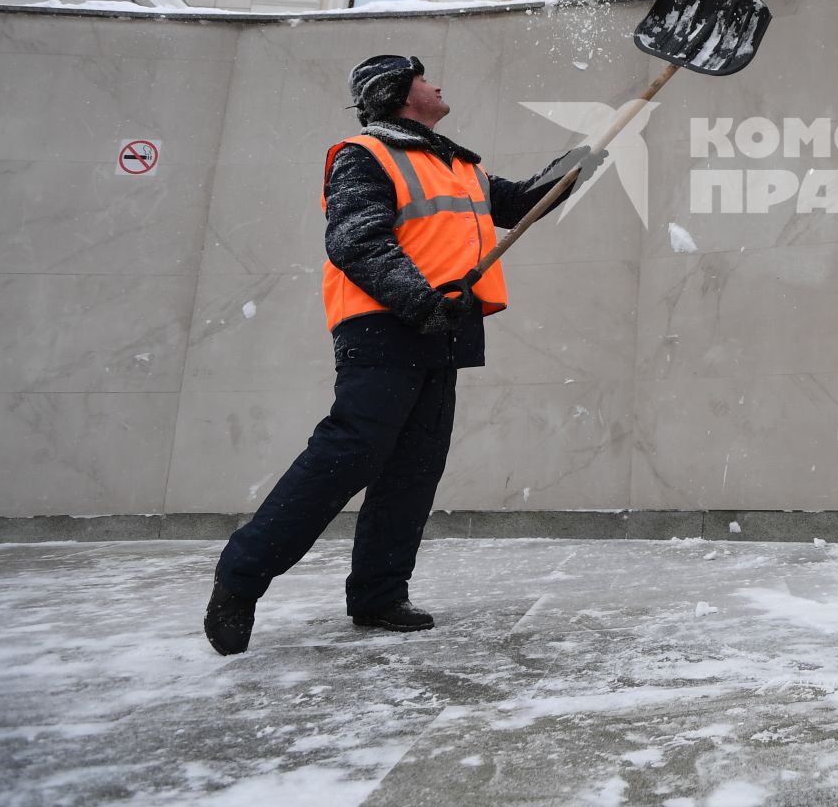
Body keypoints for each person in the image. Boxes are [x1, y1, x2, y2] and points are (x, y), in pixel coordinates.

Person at [202, 54, 603, 655]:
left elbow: (519, 206)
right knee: (347, 455)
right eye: (424, 76)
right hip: (384, 326)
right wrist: (418, 301)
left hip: (442, 329)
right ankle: (239, 578)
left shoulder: (457, 166)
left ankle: (379, 595)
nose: (437, 82)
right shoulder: (365, 156)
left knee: (413, 469)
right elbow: (356, 241)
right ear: (397, 92)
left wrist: (586, 156)